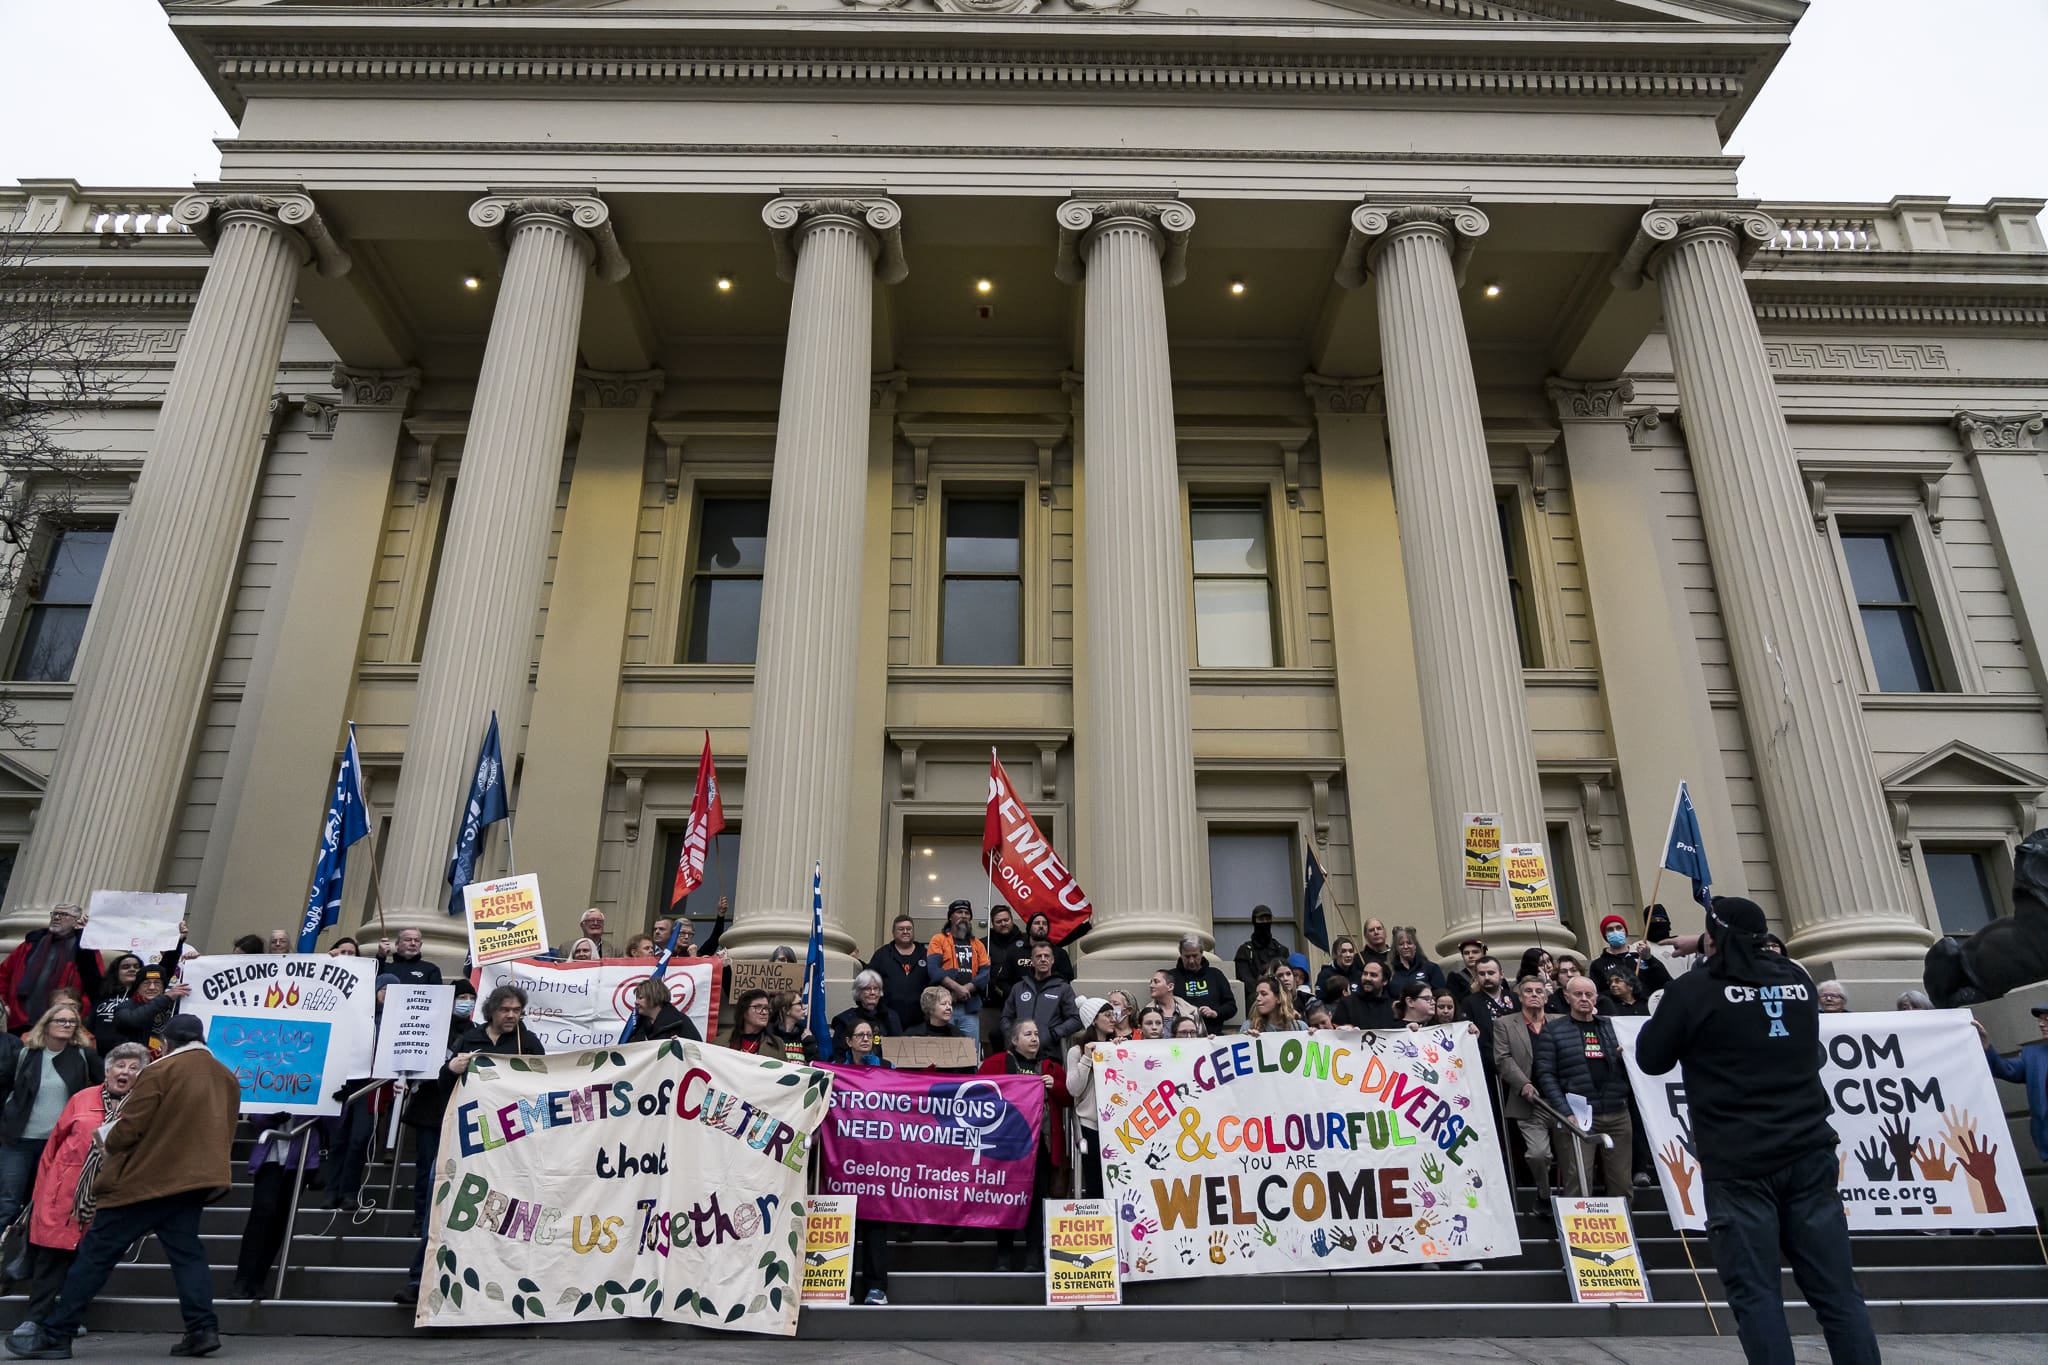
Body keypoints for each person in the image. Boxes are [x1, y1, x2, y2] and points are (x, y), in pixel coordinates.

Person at [1635, 895, 1880, 1365]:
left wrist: (1697, 963)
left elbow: (1651, 1057)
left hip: (1738, 1164)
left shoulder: (1696, 989)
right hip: (1809, 1155)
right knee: (1838, 1295)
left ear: (1711, 938)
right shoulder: (1797, 981)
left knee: (1757, 1296)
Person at [7, 1013, 239, 1361]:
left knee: (95, 1256)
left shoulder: (159, 1072)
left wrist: (105, 1140)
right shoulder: (226, 1078)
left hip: (144, 1181)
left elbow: (129, 1129)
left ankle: (56, 1333)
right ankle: (202, 1329)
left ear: (167, 1044)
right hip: (194, 1181)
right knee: (188, 1256)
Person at [9, 1043, 146, 1343]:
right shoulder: (82, 1098)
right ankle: (35, 1319)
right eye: (119, 1065)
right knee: (51, 1259)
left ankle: (71, 1316)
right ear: (107, 1069)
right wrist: (42, 1192)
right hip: (62, 1193)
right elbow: (53, 1146)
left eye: (134, 1067)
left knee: (86, 1262)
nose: (125, 1072)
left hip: (108, 1197)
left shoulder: (144, 1107)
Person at [393, 979, 474, 1305]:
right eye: (461, 997)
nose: (465, 1002)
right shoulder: (431, 1027)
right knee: (427, 1167)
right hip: (430, 1109)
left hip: (458, 1114)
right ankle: (418, 1218)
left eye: (470, 997)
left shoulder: (474, 1032)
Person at [0, 1004, 104, 1234]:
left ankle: (28, 1260)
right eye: (61, 1020)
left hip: (59, 1145)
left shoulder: (83, 1055)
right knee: (7, 1202)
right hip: (18, 1141)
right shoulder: (24, 1053)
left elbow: (105, 1086)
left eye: (72, 1022)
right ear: (46, 1024)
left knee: (42, 1203)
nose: (67, 1025)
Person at [978, 1018, 1067, 1272]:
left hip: (1040, 1147)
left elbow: (1069, 1098)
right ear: (1014, 1040)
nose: (1034, 1038)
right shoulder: (995, 1064)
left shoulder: (1051, 1066)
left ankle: (1033, 1255)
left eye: (1037, 1034)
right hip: (1005, 1147)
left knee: (1037, 1200)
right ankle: (1004, 1255)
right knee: (1004, 1200)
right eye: (1028, 1034)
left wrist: (1056, 1086)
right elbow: (978, 1093)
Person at [1536, 975, 1632, 1199]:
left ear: (1596, 998)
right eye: (1578, 994)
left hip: (1617, 1111)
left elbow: (1636, 1065)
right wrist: (1565, 1112)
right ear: (1567, 997)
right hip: (1577, 1117)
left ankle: (1626, 1232)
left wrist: (1625, 1056)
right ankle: (1576, 1233)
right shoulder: (1553, 1030)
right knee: (1578, 1180)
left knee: (1622, 1182)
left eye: (1589, 994)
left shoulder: (1613, 1027)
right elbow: (1545, 1075)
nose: (1584, 999)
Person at [231, 1109, 328, 1300]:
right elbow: (256, 1115)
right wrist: (269, 1117)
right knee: (262, 1211)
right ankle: (242, 1279)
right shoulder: (271, 1078)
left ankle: (258, 1279)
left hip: (303, 1154)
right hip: (270, 1154)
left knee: (281, 1217)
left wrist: (337, 1103)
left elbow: (333, 1124)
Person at [1493, 975, 1554, 1201]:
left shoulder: (1560, 1021)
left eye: (1539, 991)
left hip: (1563, 1102)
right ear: (1519, 997)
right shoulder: (1505, 1024)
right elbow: (1503, 1059)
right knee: (1538, 1154)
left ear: (1546, 997)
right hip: (1529, 1102)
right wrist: (1523, 1084)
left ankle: (1574, 1202)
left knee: (1573, 1157)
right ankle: (1544, 1195)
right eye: (1528, 991)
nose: (1534, 995)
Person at [0, 906, 100, 1037]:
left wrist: (75, 1013)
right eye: (55, 913)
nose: (57, 917)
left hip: (57, 1023)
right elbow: (3, 975)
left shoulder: (85, 951)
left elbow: (94, 988)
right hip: (18, 1019)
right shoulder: (30, 945)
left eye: (64, 915)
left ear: (76, 921)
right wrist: (4, 1004)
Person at [1979, 1002, 2047, 1164]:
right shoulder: (2033, 1055)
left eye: (2047, 1019)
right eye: (2041, 1020)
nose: (2041, 1024)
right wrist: (1986, 1047)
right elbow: (2004, 1069)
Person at [1066, 998, 1120, 1197]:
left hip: (1118, 1123)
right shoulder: (1076, 1051)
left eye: (1113, 1014)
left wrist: (1119, 1052)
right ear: (1094, 1020)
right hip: (1092, 1123)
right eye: (1107, 1015)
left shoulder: (1118, 1046)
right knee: (1095, 1181)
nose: (1112, 1019)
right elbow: (1074, 1089)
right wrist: (1087, 1058)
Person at [926, 900, 989, 1047]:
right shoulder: (938, 940)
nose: (964, 916)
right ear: (950, 917)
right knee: (942, 1051)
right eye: (959, 912)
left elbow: (985, 974)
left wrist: (966, 988)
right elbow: (933, 969)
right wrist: (956, 988)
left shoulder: (978, 944)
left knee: (970, 1052)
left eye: (967, 913)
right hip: (943, 1006)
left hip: (969, 1009)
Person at [1002, 942, 1081, 1051]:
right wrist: (1012, 1035)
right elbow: (1006, 1017)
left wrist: (1054, 1033)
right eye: (1038, 956)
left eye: (1047, 956)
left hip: (1050, 1052)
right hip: (1020, 1052)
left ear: (1052, 960)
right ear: (1032, 961)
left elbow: (1076, 1019)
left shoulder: (1063, 988)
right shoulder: (1018, 988)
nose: (1043, 959)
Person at [867, 916, 933, 1039]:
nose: (905, 932)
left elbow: (934, 982)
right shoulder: (882, 954)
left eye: (909, 929)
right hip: (887, 1019)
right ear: (893, 932)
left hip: (920, 1021)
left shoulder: (926, 954)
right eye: (901, 929)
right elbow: (868, 980)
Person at [1591, 915, 1672, 1006]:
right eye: (1610, 929)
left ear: (1625, 931)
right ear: (1605, 934)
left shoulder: (1641, 956)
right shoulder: (1598, 964)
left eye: (1619, 928)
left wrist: (1649, 958)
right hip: (1617, 1012)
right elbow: (1596, 993)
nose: (1615, 932)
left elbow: (1665, 981)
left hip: (1646, 1009)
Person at [109, 964, 188, 1055]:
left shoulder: (175, 1006)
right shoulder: (125, 1006)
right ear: (138, 987)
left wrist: (192, 962)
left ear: (164, 987)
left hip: (169, 1060)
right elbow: (132, 1020)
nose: (152, 987)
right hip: (135, 1062)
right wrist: (165, 998)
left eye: (157, 983)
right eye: (146, 983)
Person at [983, 905, 1031, 1048]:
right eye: (999, 922)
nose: (1003, 924)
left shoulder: (1027, 941)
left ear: (1011, 919)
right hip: (992, 1003)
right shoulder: (983, 944)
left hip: (1020, 1003)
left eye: (1006, 920)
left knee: (1019, 1043)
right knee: (991, 1043)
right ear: (992, 924)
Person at [1166, 935, 1237, 1029]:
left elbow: (1231, 1006)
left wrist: (1215, 1013)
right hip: (1181, 1035)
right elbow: (1162, 1006)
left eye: (1195, 956)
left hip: (1212, 1034)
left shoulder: (1215, 975)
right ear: (1181, 955)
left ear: (1202, 953)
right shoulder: (1171, 977)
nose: (1191, 961)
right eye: (1187, 957)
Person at [831, 971, 902, 1058]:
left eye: (876, 989)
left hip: (886, 1068)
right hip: (855, 1069)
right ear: (858, 992)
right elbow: (838, 1056)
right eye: (867, 989)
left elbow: (900, 1051)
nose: (872, 992)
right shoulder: (845, 1020)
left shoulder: (891, 1017)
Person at [1232, 905, 1289, 989]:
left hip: (1280, 995)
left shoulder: (1281, 951)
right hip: (1256, 997)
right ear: (1254, 921)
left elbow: (1287, 978)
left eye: (1268, 919)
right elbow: (1246, 981)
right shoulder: (1245, 951)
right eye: (1261, 919)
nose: (1265, 922)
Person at [632, 977, 701, 1042]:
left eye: (640, 998)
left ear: (654, 997)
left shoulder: (680, 1023)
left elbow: (697, 1050)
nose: (636, 1002)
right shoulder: (636, 1027)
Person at [1332, 959, 1395, 1030]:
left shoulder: (1393, 1008)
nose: (1367, 978)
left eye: (1373, 975)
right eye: (1365, 974)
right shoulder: (1347, 1003)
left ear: (1385, 981)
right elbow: (1334, 1031)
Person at [1386, 926, 1446, 995]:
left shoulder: (1431, 968)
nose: (1405, 947)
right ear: (1396, 948)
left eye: (1409, 943)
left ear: (1415, 945)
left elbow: (1441, 995)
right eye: (1401, 944)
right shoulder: (1389, 971)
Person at [374, 927, 443, 986]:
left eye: (417, 940)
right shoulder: (385, 968)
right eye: (408, 940)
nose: (413, 943)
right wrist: (380, 956)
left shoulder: (431, 969)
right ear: (397, 944)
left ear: (420, 945)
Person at [1022, 912, 1075, 983]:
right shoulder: (1016, 951)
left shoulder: (1060, 953)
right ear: (1029, 927)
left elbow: (1067, 978)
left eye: (1044, 924)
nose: (1041, 926)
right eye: (1037, 923)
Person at [770, 994, 820, 1063]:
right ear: (786, 1010)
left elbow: (817, 1065)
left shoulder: (805, 1034)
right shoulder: (771, 1034)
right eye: (799, 1003)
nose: (804, 1007)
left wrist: (810, 1043)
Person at [726, 990, 777, 1055]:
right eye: (758, 1007)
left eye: (766, 1008)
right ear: (744, 1011)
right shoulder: (721, 1043)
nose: (764, 1012)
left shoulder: (778, 1045)